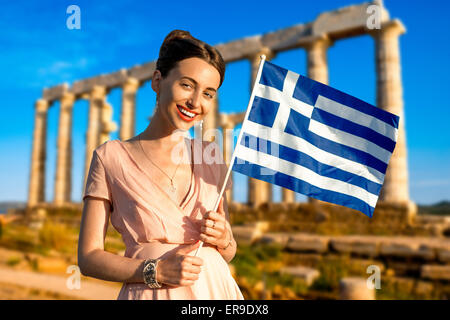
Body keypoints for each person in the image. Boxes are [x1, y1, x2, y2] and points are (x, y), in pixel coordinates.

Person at [78, 30, 244, 300]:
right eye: (187, 85)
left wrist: (225, 239)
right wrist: (154, 271)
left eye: (208, 94)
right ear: (158, 80)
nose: (196, 102)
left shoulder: (211, 156)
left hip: (215, 291)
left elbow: (229, 251)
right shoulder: (110, 157)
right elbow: (88, 258)